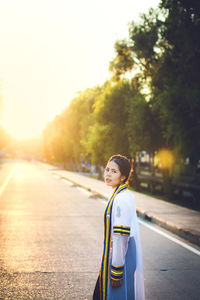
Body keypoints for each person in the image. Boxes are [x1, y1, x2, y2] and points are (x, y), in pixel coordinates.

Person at [93, 154, 145, 300]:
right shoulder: (120, 194)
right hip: (120, 254)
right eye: (107, 169)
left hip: (121, 256)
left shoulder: (121, 199)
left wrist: (116, 271)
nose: (108, 174)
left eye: (114, 171)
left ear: (123, 177)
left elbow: (121, 238)